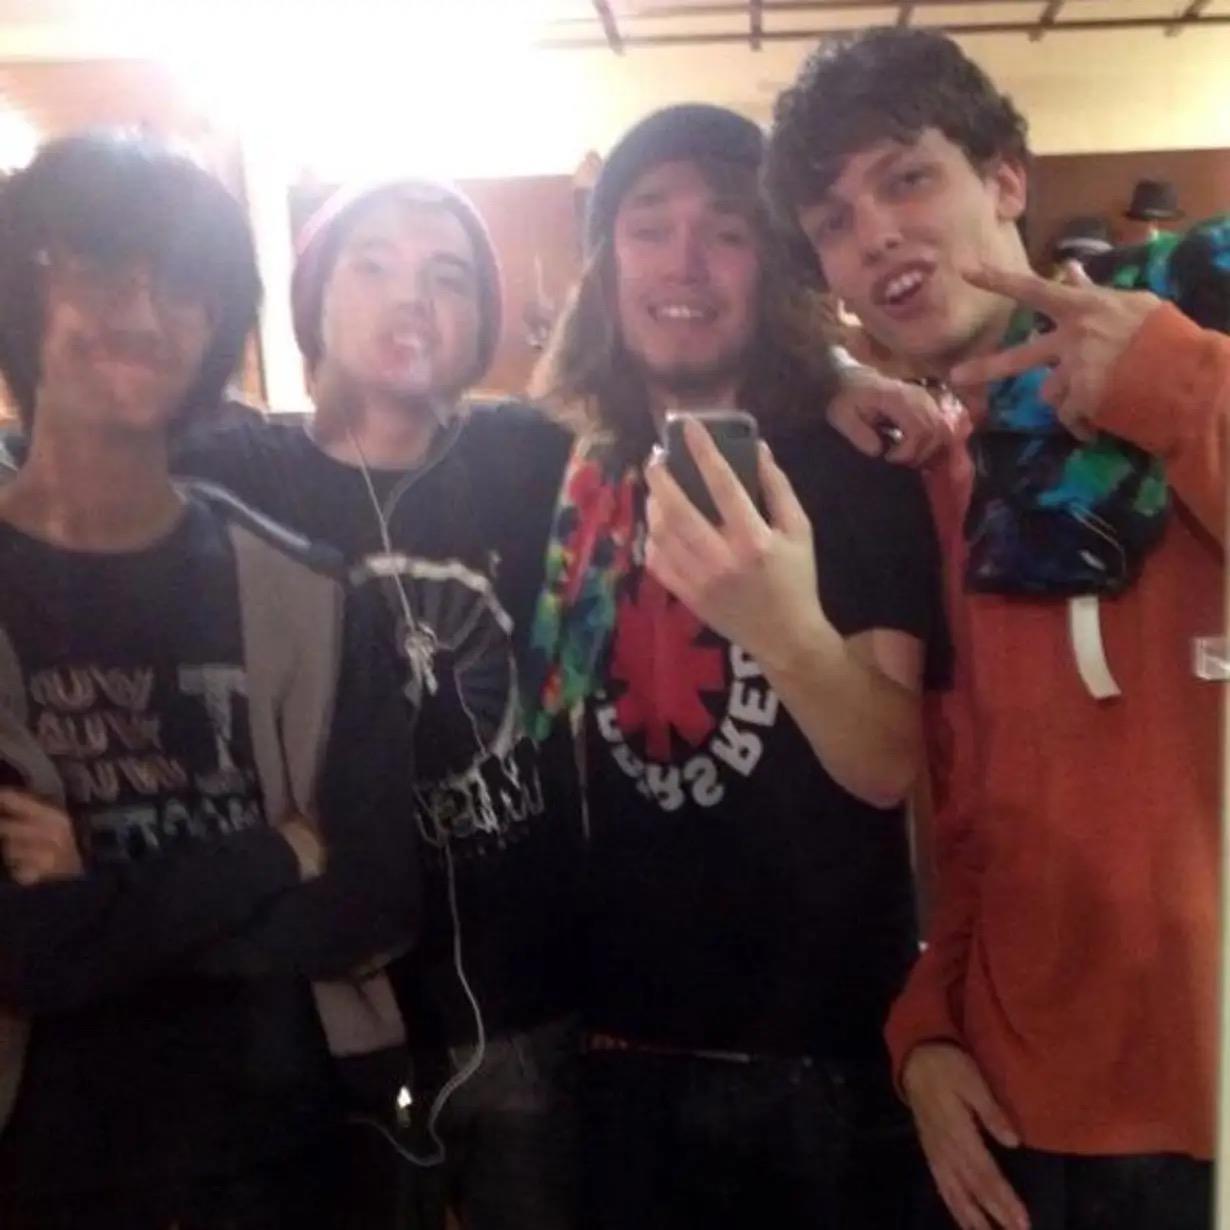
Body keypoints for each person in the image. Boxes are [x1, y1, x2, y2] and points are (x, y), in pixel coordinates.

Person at [764, 27, 1225, 1230]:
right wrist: (927, 1032)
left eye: (906, 178)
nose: (875, 239)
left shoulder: (1187, 358)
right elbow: (975, 813)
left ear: (1007, 178)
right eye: (833, 222)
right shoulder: (922, 486)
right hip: (1019, 1125)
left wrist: (1174, 385)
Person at [527, 102, 950, 1230]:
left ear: (770, 265)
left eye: (725, 228)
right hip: (615, 1052)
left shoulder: (857, 464)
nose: (683, 261)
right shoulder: (579, 478)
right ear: (604, 268)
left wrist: (781, 624)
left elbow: (883, 761)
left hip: (820, 1064)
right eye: (647, 225)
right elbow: (551, 734)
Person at [0, 132, 419, 1228]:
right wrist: (272, 852)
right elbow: (16, 952)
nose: (141, 313)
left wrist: (96, 893)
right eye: (96, 267)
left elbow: (372, 902)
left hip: (300, 1160)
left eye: (182, 284)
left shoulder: (315, 598)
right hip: (38, 1169)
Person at [175, 178, 587, 1230]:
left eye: (447, 278)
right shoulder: (232, 473)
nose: (414, 299)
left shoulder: (529, 456)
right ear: (311, 300)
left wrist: (857, 376)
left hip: (526, 998)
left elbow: (676, 406)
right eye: (376, 266)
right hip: (322, 1008)